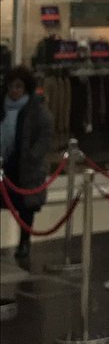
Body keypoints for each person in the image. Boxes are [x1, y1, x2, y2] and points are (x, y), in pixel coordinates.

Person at [0, 65, 54, 264]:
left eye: (18, 86)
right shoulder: (2, 106)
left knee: (26, 207)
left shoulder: (36, 109)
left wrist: (32, 156)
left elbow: (45, 135)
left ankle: (24, 242)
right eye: (11, 86)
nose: (14, 91)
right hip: (4, 164)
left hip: (26, 167)